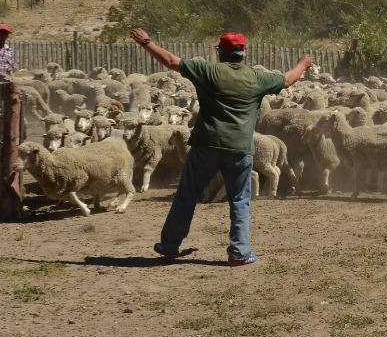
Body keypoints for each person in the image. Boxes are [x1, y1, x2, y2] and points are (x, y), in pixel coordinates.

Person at [130, 28, 313, 266]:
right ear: (243, 53)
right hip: (239, 148)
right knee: (239, 199)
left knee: (187, 195)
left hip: (206, 145)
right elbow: (288, 80)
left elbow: (171, 61)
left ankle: (169, 245)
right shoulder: (256, 78)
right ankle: (239, 252)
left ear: (220, 53)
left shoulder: (208, 71)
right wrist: (303, 63)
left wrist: (146, 42)